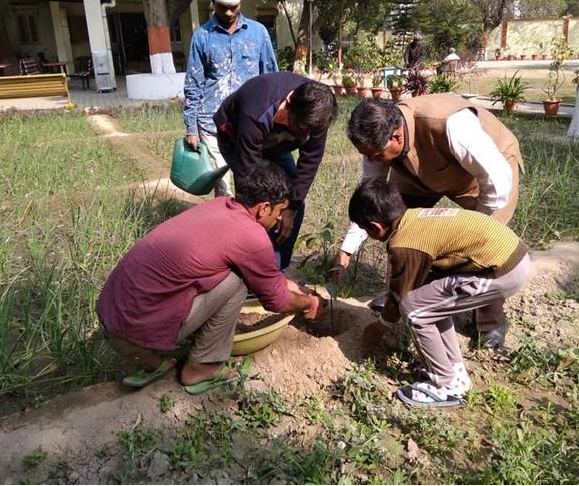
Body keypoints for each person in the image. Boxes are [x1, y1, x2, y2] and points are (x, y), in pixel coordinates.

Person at [96, 163, 324, 394]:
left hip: (113, 321)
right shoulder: (251, 235)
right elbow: (277, 301)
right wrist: (309, 303)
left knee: (220, 272)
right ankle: (200, 367)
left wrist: (298, 288)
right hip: (133, 332)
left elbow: (270, 275)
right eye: (278, 213)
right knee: (238, 279)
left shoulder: (220, 206)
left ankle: (156, 363)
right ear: (264, 208)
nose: (278, 221)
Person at [331, 94, 525, 350]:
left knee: (482, 248)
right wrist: (347, 249)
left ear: (397, 137)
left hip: (485, 176)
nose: (373, 160)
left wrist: (476, 228)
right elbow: (370, 200)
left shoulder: (452, 125)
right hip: (423, 174)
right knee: (398, 227)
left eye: (376, 155)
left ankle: (490, 321)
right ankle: (400, 297)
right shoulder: (378, 147)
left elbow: (496, 180)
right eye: (367, 155)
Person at [348, 180, 530, 407]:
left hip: (501, 271)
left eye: (365, 230)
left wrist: (379, 327)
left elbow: (398, 298)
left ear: (376, 227)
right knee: (427, 301)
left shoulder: (405, 243)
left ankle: (445, 385)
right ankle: (453, 371)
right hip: (511, 255)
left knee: (414, 310)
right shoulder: (414, 217)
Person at [214, 71, 338, 270]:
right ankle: (244, 264)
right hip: (236, 138)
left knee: (290, 203)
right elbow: (248, 179)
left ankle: (275, 269)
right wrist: (260, 216)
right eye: (299, 128)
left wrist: (290, 210)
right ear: (288, 102)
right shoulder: (256, 109)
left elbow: (309, 162)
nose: (304, 136)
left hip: (276, 144)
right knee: (260, 205)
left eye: (308, 132)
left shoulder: (317, 113)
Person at [182, 0, 278, 197]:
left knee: (252, 182)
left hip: (251, 123)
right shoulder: (202, 37)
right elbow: (194, 84)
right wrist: (191, 128)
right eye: (222, 7)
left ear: (240, 2)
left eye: (233, 7)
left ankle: (247, 228)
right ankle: (224, 228)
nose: (228, 12)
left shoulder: (258, 33)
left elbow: (271, 78)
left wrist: (273, 119)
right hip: (212, 124)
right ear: (212, 2)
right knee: (223, 187)